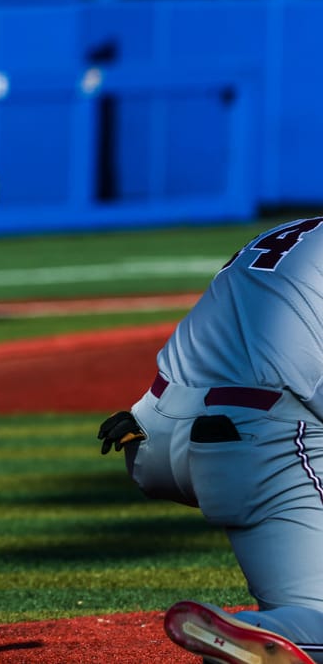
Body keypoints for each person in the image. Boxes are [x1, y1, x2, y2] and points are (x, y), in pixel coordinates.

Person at [97, 217, 323, 664]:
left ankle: (263, 631)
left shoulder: (297, 231)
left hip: (156, 427)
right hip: (258, 443)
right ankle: (266, 635)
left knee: (301, 605)